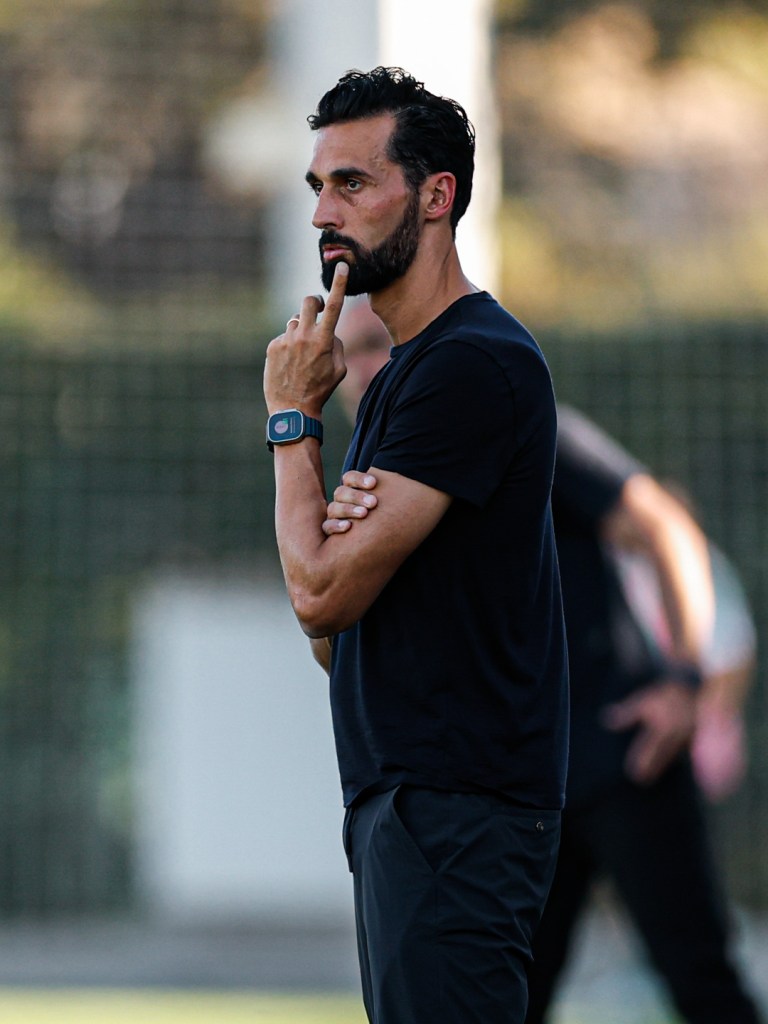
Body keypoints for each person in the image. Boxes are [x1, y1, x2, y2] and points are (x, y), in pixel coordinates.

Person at [327, 307, 763, 1022]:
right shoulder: (383, 485)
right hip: (520, 785)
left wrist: (686, 681)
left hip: (625, 753)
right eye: (348, 355)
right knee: (509, 999)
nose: (362, 370)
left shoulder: (506, 421)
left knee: (702, 982)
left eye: (379, 344)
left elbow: (665, 525)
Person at [262, 67, 569, 1024]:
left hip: (455, 812)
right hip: (411, 808)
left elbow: (319, 594)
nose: (325, 213)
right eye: (318, 186)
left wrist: (291, 422)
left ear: (437, 196)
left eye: (354, 183)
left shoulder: (473, 363)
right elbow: (332, 635)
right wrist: (336, 560)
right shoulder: (402, 375)